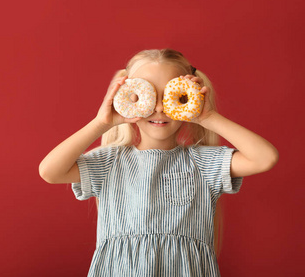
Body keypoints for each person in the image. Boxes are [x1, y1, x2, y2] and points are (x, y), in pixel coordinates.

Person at [39, 49, 278, 276]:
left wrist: (208, 117)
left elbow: (265, 158)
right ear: (127, 98)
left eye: (172, 96)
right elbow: (50, 171)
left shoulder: (203, 164)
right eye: (148, 95)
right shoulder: (110, 162)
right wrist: (101, 123)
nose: (160, 107)